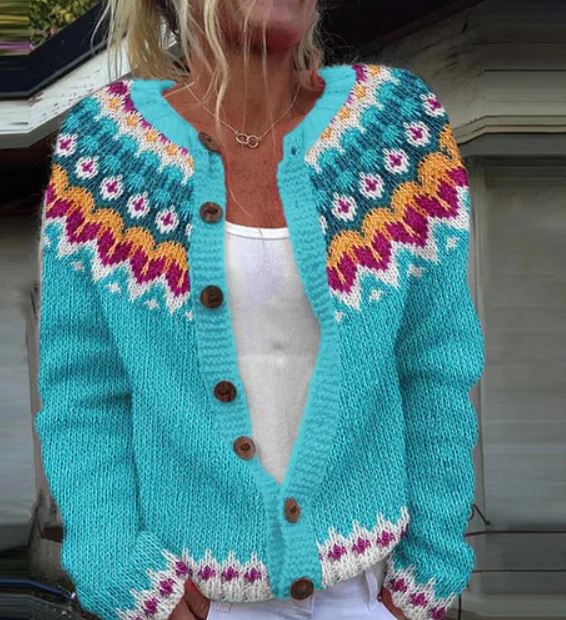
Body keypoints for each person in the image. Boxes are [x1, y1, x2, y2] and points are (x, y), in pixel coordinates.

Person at [34, 1, 485, 619]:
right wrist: (120, 570)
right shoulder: (106, 150)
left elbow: (436, 364)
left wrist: (426, 576)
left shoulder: (395, 125)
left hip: (369, 593)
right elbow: (83, 391)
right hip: (190, 595)